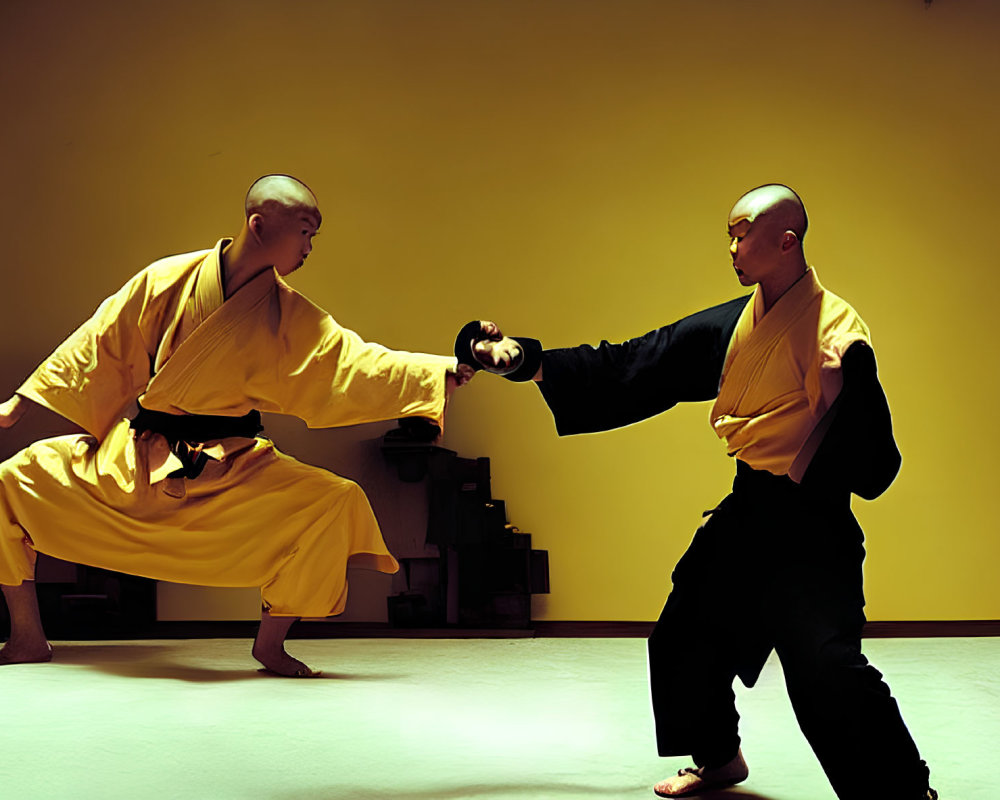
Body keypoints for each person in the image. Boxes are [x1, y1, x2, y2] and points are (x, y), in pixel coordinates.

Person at [458, 185, 937, 800]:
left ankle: (902, 792)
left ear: (786, 242)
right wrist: (523, 359)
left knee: (823, 663)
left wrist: (847, 390)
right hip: (751, 508)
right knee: (682, 635)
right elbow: (639, 363)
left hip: (813, 524)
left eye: (742, 235)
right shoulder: (738, 324)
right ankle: (719, 758)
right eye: (731, 236)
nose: (732, 248)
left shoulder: (838, 335)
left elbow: (876, 467)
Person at [0, 174, 470, 677]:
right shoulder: (167, 280)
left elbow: (352, 363)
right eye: (305, 232)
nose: (311, 247)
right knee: (10, 481)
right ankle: (28, 635)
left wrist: (437, 371)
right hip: (139, 458)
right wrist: (20, 403)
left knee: (335, 502)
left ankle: (269, 645)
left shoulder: (288, 313)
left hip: (230, 468)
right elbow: (101, 341)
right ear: (259, 225)